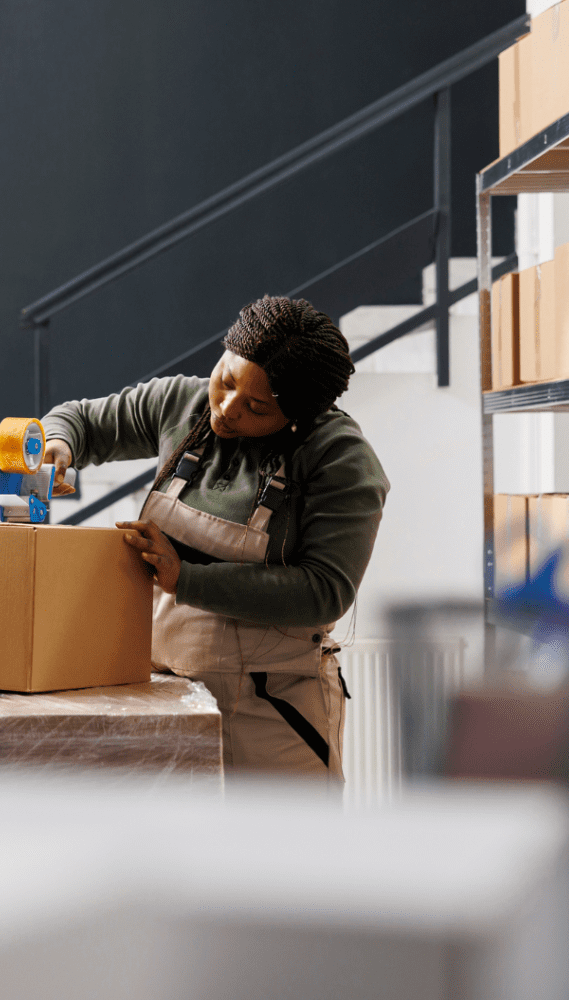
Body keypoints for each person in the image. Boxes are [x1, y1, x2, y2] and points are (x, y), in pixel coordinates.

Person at [41, 295, 389, 783]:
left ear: (298, 415)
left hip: (271, 710)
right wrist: (59, 446)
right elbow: (77, 420)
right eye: (225, 380)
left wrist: (187, 579)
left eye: (256, 407)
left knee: (280, 855)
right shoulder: (181, 404)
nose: (226, 409)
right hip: (163, 692)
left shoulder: (340, 460)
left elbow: (324, 591)